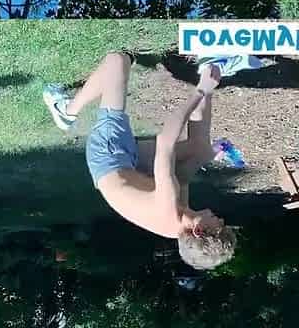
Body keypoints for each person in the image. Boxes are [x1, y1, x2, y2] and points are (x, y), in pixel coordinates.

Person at [43, 51, 237, 270]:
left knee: (117, 61)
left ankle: (66, 111)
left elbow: (165, 142)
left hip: (109, 156)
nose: (221, 220)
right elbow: (181, 176)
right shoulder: (183, 222)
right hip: (133, 167)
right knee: (199, 149)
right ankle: (210, 68)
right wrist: (206, 155)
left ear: (199, 231)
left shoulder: (168, 208)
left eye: (220, 227)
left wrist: (200, 90)